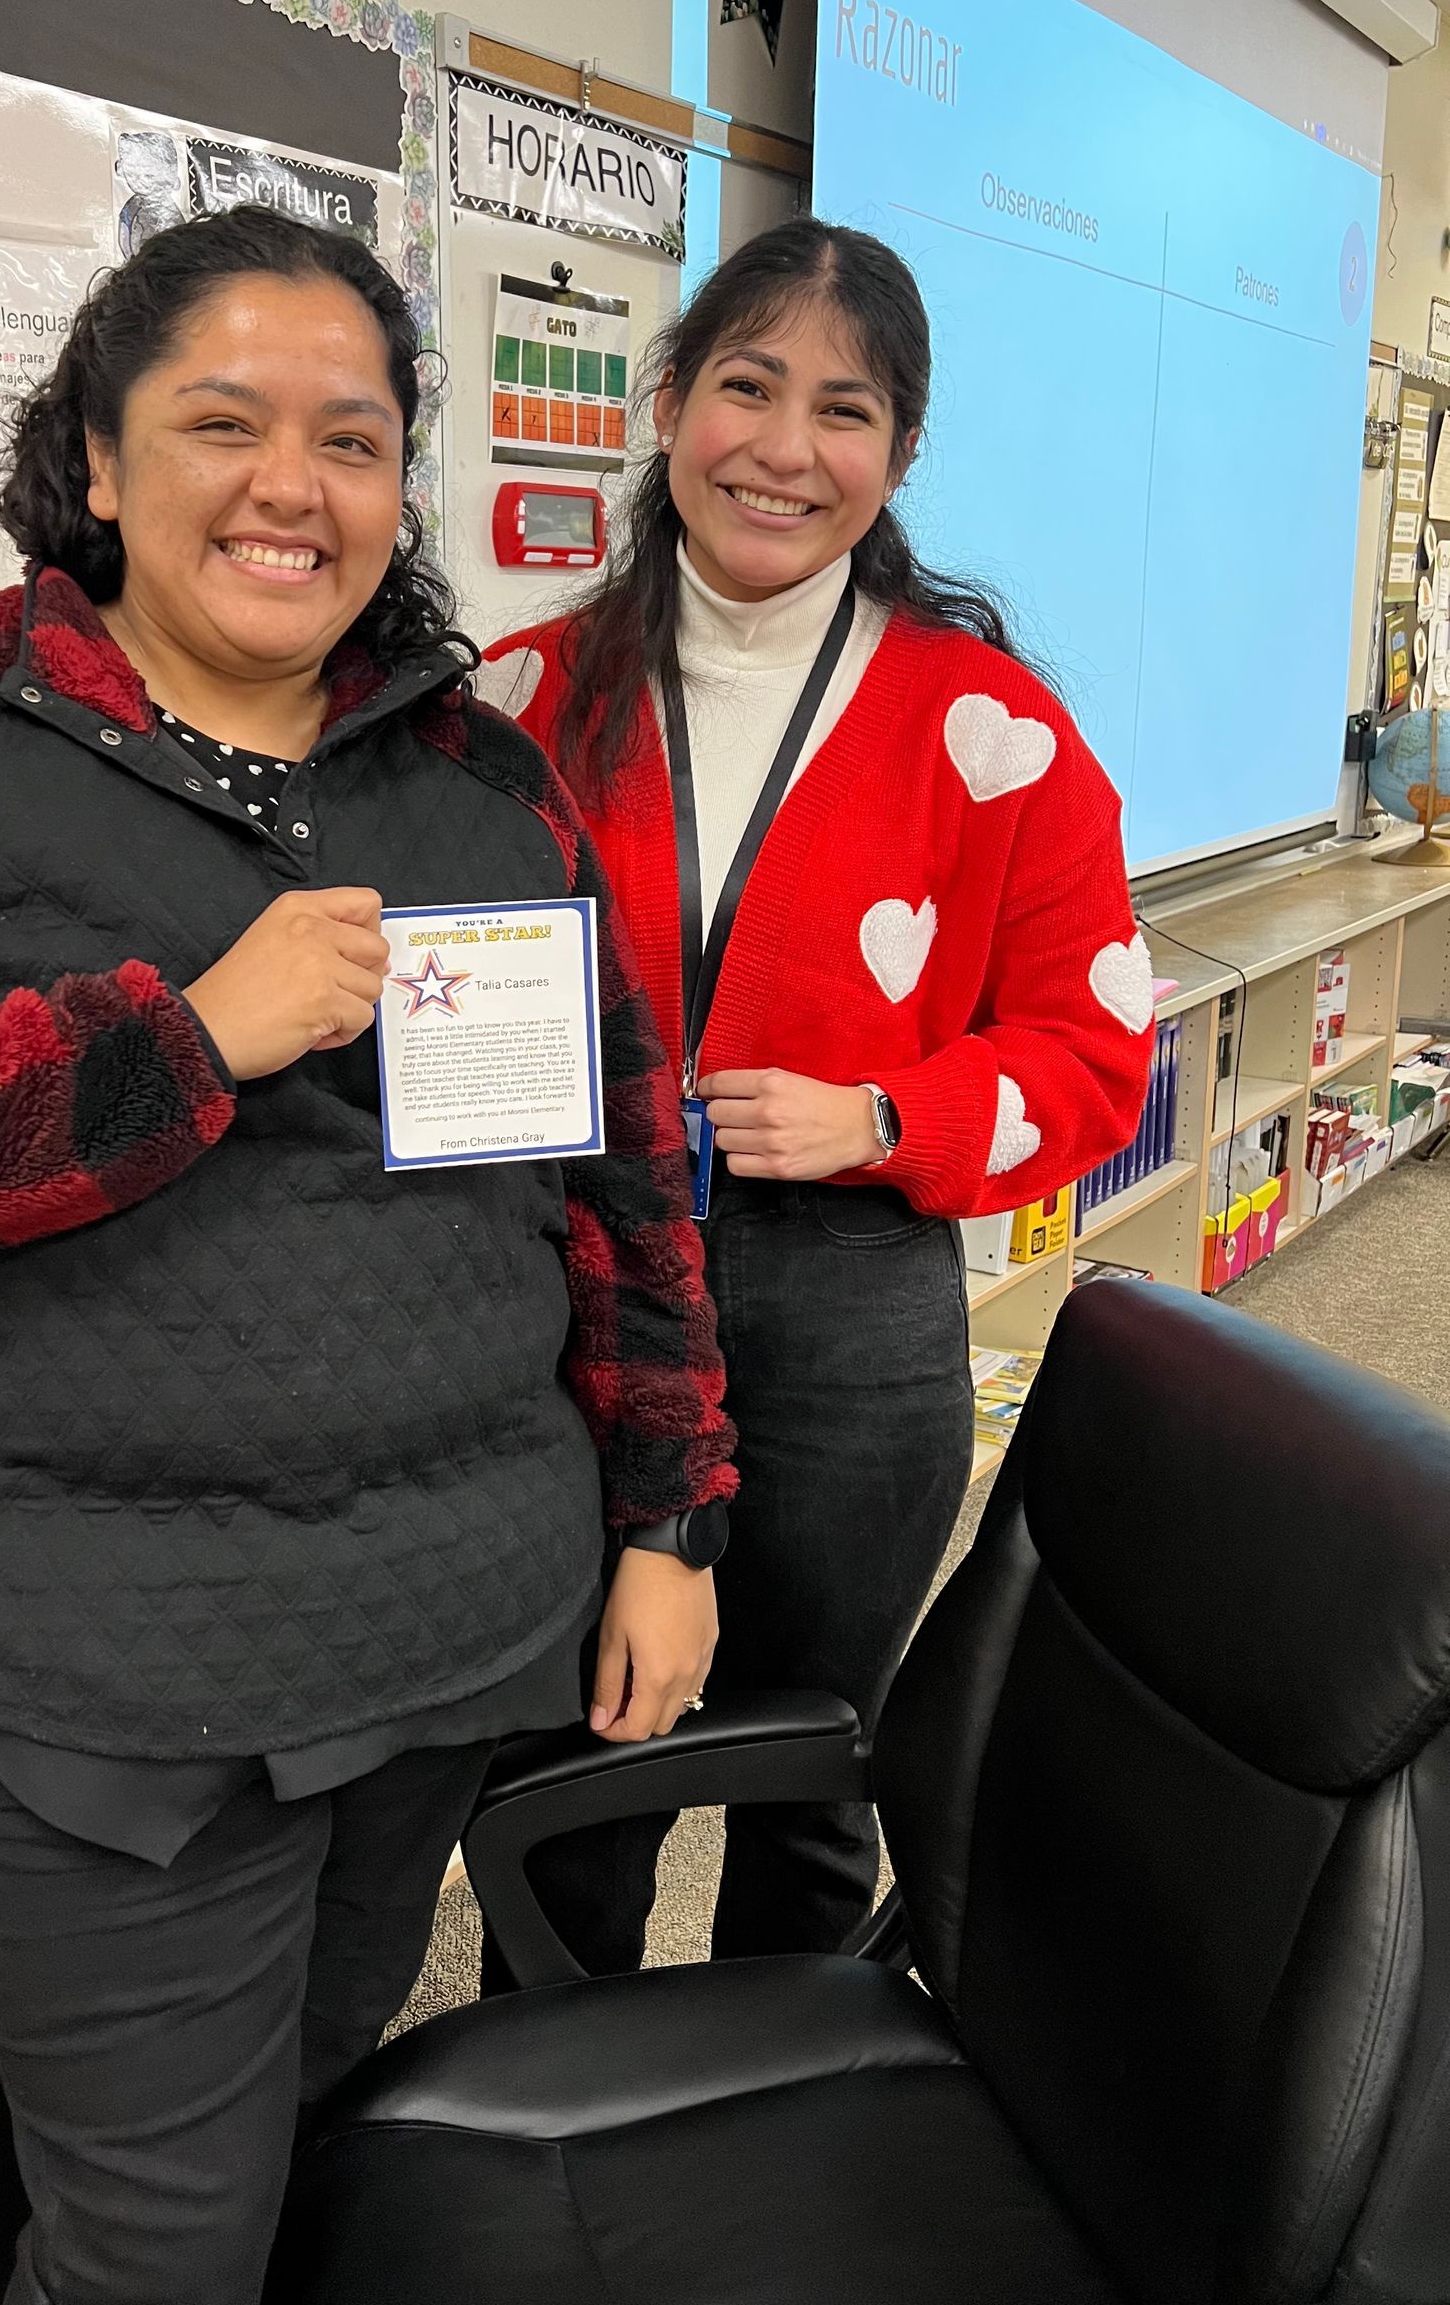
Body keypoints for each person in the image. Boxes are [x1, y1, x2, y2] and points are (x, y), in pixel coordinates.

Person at [0, 205, 734, 2305]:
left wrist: (671, 1515)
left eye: (347, 435)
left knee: (319, 2092)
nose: (287, 484)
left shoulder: (476, 772)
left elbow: (616, 1175)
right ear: (103, 460)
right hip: (87, 1673)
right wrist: (179, 1040)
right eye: (220, 420)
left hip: (434, 1630)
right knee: (162, 2237)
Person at [479, 215, 1151, 1974]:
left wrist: (888, 1119)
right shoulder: (523, 695)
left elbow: (1097, 1054)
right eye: (747, 386)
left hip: (853, 1309)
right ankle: (559, 2112)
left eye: (843, 411)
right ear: (671, 404)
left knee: (816, 1768)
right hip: (578, 1304)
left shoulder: (993, 731)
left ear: (900, 455)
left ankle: (791, 2120)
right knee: (578, 1752)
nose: (786, 448)